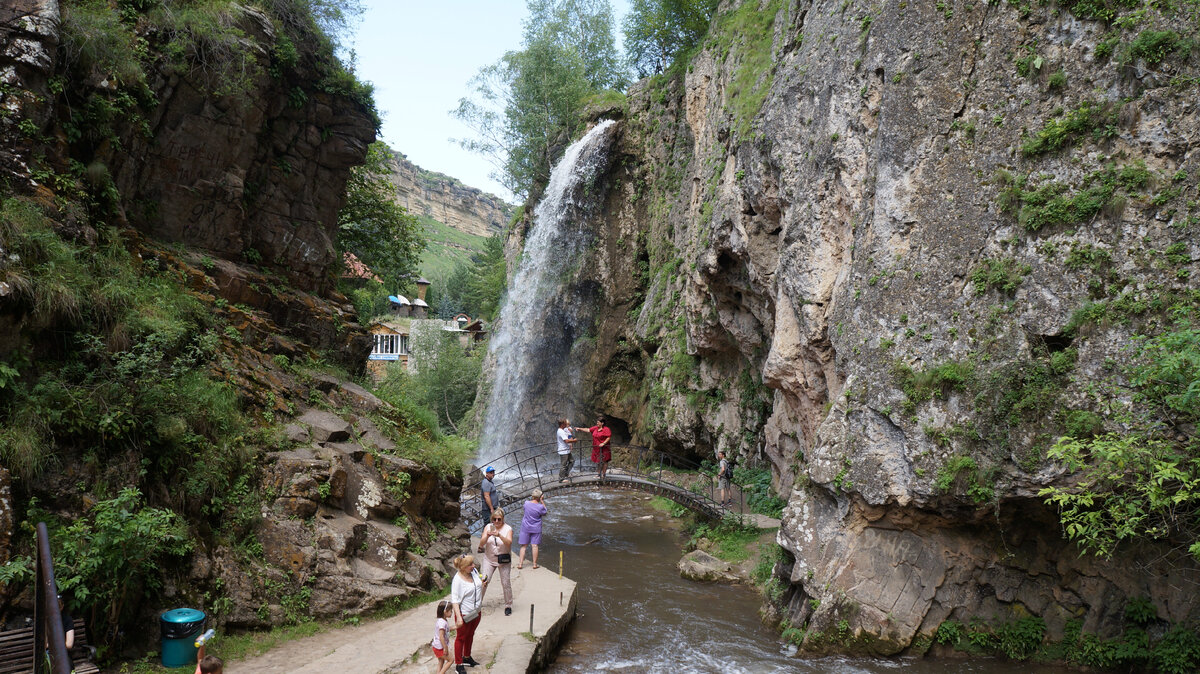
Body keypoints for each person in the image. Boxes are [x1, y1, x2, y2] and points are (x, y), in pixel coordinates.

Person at [450, 553, 488, 673]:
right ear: (463, 567)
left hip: (476, 611)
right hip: (465, 613)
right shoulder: (457, 580)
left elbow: (477, 584)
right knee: (461, 638)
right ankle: (459, 664)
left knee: (470, 634)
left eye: (473, 563)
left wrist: (482, 584)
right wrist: (459, 618)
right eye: (470, 564)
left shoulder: (474, 572)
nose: (474, 565)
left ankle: (467, 657)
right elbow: (455, 600)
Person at [477, 508, 514, 616]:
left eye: (499, 519)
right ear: (492, 519)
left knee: (505, 582)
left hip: (504, 560)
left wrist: (500, 535)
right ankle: (478, 603)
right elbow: (481, 543)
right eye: (494, 519)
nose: (496, 522)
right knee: (484, 581)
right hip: (489, 559)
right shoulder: (488, 527)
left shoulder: (508, 529)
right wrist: (487, 535)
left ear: (503, 519)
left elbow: (509, 543)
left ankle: (508, 605)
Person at [517, 488, 548, 569]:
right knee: (534, 546)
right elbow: (545, 512)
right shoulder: (540, 507)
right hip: (536, 528)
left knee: (523, 546)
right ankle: (534, 564)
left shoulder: (526, 503)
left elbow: (525, 509)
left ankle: (520, 564)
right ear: (540, 497)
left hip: (525, 527)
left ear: (532, 496)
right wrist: (542, 501)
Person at [431, 600, 453, 674]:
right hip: (440, 647)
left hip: (436, 646)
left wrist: (456, 626)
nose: (452, 612)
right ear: (445, 612)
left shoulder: (442, 620)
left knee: (441, 660)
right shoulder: (442, 623)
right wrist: (445, 648)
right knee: (451, 660)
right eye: (450, 611)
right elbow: (441, 637)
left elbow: (447, 629)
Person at [556, 418, 577, 482]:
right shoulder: (561, 431)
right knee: (563, 465)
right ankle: (561, 478)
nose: (566, 424)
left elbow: (568, 435)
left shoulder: (562, 430)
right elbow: (566, 441)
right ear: (562, 424)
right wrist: (574, 440)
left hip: (566, 450)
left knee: (572, 461)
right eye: (565, 423)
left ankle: (566, 473)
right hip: (563, 451)